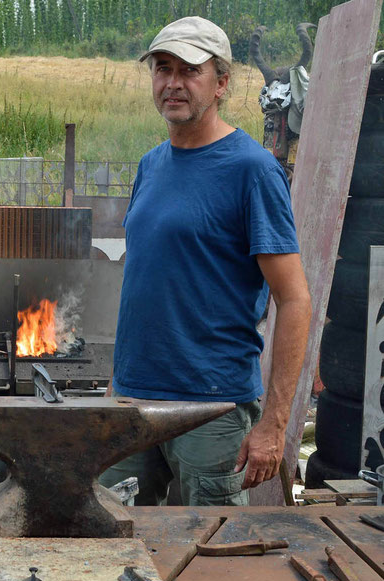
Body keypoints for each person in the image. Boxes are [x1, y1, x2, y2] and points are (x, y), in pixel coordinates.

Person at [99, 16, 311, 506]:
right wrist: (117, 383)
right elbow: (148, 280)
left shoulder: (252, 170)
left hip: (211, 407)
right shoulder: (151, 164)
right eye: (162, 68)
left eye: (189, 70)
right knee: (114, 542)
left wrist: (273, 424)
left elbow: (295, 299)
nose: (172, 82)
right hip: (134, 401)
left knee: (212, 559)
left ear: (220, 84)